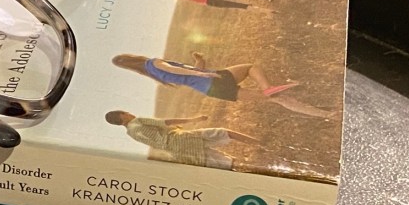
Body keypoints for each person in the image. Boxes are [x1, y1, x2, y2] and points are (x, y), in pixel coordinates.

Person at [112, 52, 336, 118]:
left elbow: (183, 76)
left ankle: (326, 114)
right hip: (211, 79)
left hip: (211, 90)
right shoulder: (153, 63)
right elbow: (178, 71)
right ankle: (269, 87)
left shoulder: (153, 74)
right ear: (132, 56)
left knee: (277, 99)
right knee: (251, 67)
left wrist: (199, 63)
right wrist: (202, 71)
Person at [104, 110, 258, 169]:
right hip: (180, 139)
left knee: (221, 162)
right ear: (122, 116)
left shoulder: (130, 134)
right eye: (126, 112)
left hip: (176, 152)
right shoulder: (138, 121)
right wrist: (194, 118)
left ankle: (251, 169)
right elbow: (166, 122)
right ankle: (260, 144)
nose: (130, 113)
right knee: (223, 133)